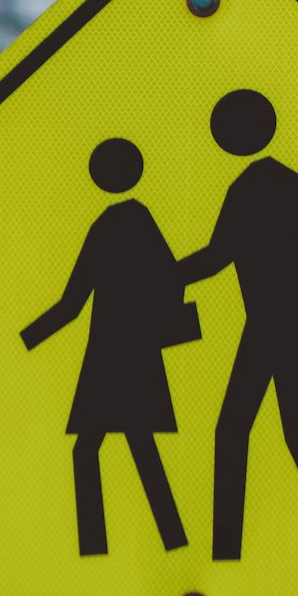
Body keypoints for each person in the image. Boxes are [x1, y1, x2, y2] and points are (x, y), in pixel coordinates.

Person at [181, 90, 298, 560]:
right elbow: (221, 257)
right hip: (277, 325)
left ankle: (229, 551)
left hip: (276, 325)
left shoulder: (261, 185)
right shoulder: (266, 185)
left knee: (246, 431)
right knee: (283, 436)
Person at [21, 137, 194, 557]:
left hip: (115, 355)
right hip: (122, 353)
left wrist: (27, 339)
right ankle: (167, 539)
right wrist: (26, 339)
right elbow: (79, 301)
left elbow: (72, 303)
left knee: (97, 449)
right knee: (131, 446)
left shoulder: (116, 224)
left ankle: (104, 546)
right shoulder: (128, 221)